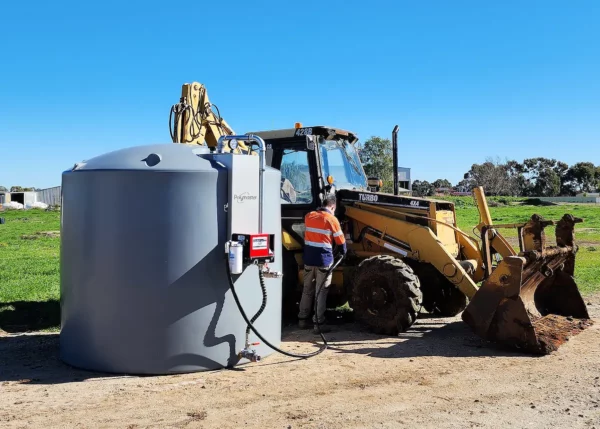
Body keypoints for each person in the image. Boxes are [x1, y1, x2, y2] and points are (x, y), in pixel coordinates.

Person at [298, 193, 347, 333]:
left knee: (307, 290)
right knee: (321, 292)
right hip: (323, 260)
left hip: (308, 259)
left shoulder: (309, 216)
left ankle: (302, 320)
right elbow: (340, 241)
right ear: (332, 206)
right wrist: (344, 253)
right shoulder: (331, 219)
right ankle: (318, 324)